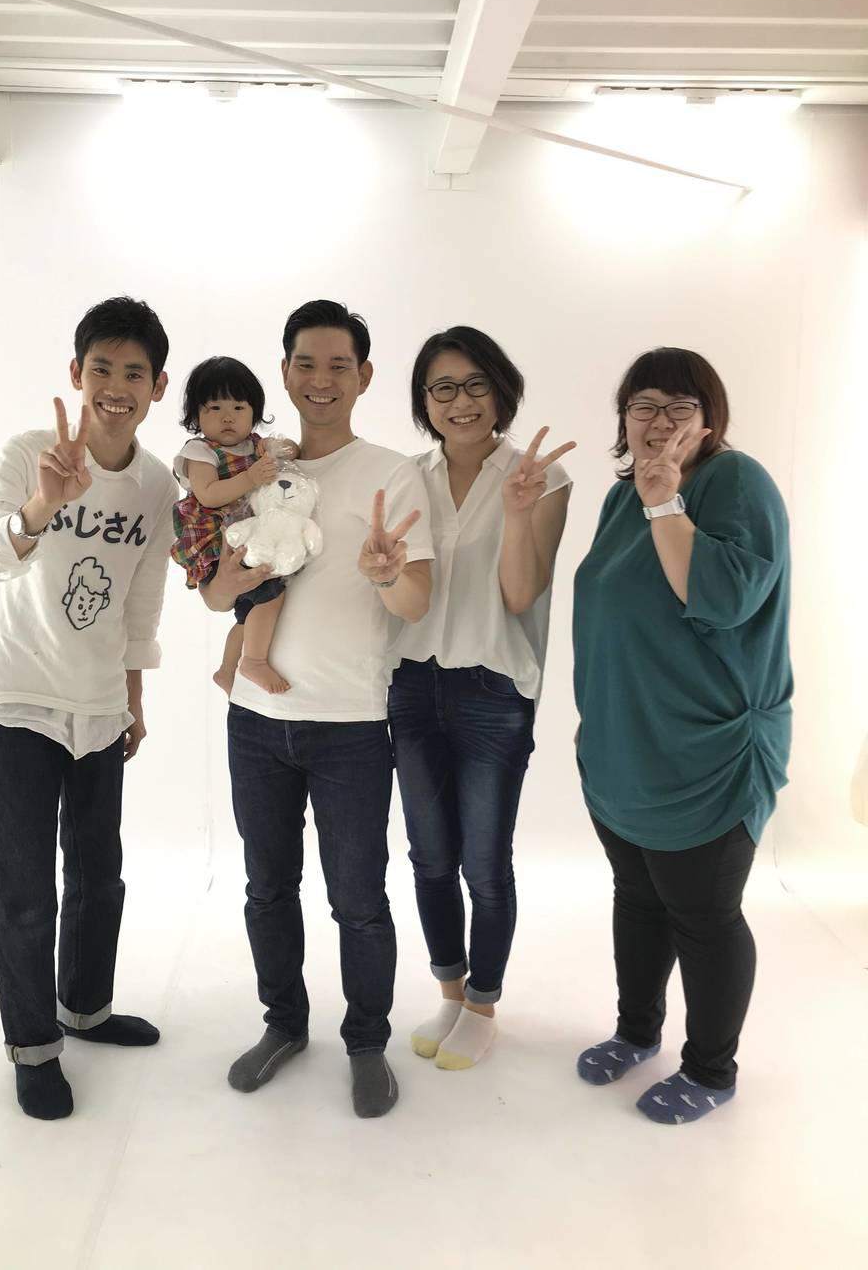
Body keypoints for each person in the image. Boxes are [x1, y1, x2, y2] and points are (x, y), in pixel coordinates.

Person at [202, 299, 434, 1118]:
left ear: (364, 376)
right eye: (306, 363)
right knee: (267, 887)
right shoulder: (255, 466)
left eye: (340, 365)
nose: (322, 379)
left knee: (359, 899)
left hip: (351, 727)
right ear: (285, 372)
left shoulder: (393, 472)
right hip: (255, 722)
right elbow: (216, 593)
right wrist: (227, 584)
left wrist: (386, 573)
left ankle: (366, 1041)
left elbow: (415, 600)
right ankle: (284, 1024)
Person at [0, 296, 179, 1121]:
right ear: (76, 373)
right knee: (23, 889)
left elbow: (143, 600)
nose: (116, 387)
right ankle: (34, 1049)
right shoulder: (28, 453)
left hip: (97, 705)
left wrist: (132, 696)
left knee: (97, 873)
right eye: (102, 369)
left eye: (134, 373)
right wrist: (40, 506)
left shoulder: (156, 483)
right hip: (15, 699)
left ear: (158, 386)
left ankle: (85, 1009)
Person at [572, 347, 792, 1125]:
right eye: (643, 405)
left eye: (679, 405)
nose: (658, 421)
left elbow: (720, 596)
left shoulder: (736, 482)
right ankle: (638, 1031)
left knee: (703, 914)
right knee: (637, 897)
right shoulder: (619, 495)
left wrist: (667, 503)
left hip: (706, 756)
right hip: (623, 751)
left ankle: (710, 1069)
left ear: (709, 418)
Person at [388, 327, 575, 1070]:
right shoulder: (408, 476)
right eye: (443, 387)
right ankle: (450, 992)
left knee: (485, 863)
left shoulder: (541, 477)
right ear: (423, 400)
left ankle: (484, 1005)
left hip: (492, 689)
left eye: (475, 385)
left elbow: (521, 593)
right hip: (410, 683)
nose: (460, 401)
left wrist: (518, 511)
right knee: (429, 856)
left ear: (501, 391)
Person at [170, 356, 292, 695]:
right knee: (271, 595)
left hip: (246, 538)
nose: (227, 417)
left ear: (254, 412)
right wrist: (251, 477)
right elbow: (208, 494)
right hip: (214, 541)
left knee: (250, 608)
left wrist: (282, 449)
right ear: (196, 415)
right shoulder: (200, 451)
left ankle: (227, 670)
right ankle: (253, 661)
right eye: (214, 408)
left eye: (238, 407)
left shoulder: (255, 446)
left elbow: (289, 451)